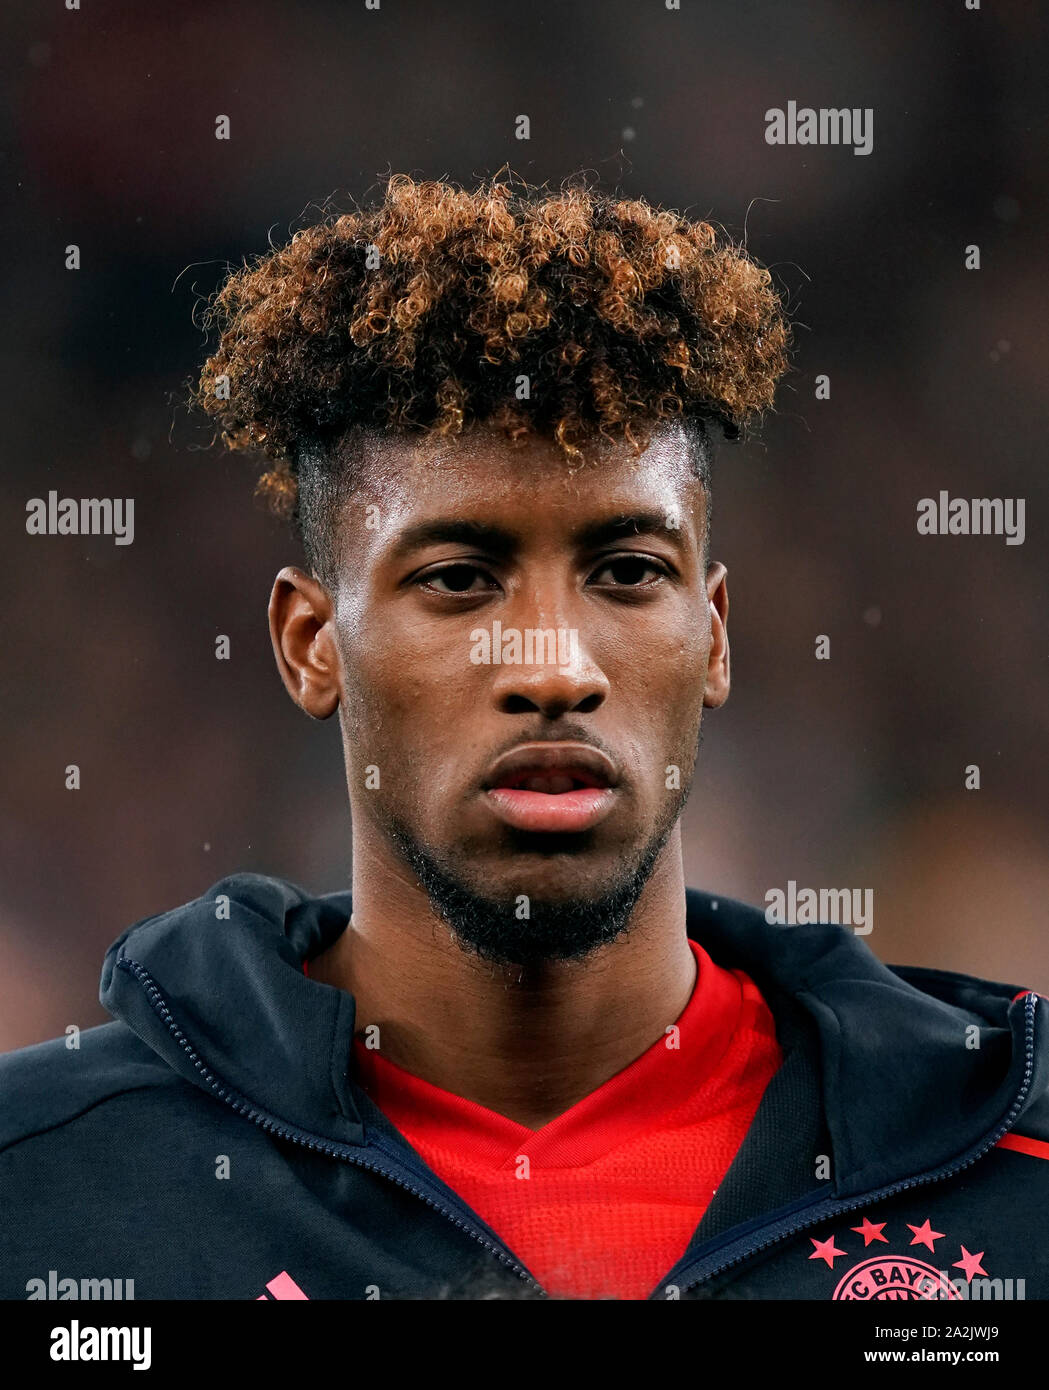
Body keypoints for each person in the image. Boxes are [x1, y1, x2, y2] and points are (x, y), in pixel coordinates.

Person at [2, 174, 1047, 1302]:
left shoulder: (1008, 1169)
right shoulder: (43, 1191)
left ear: (712, 636)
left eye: (626, 572)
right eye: (458, 579)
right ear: (311, 644)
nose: (551, 665)